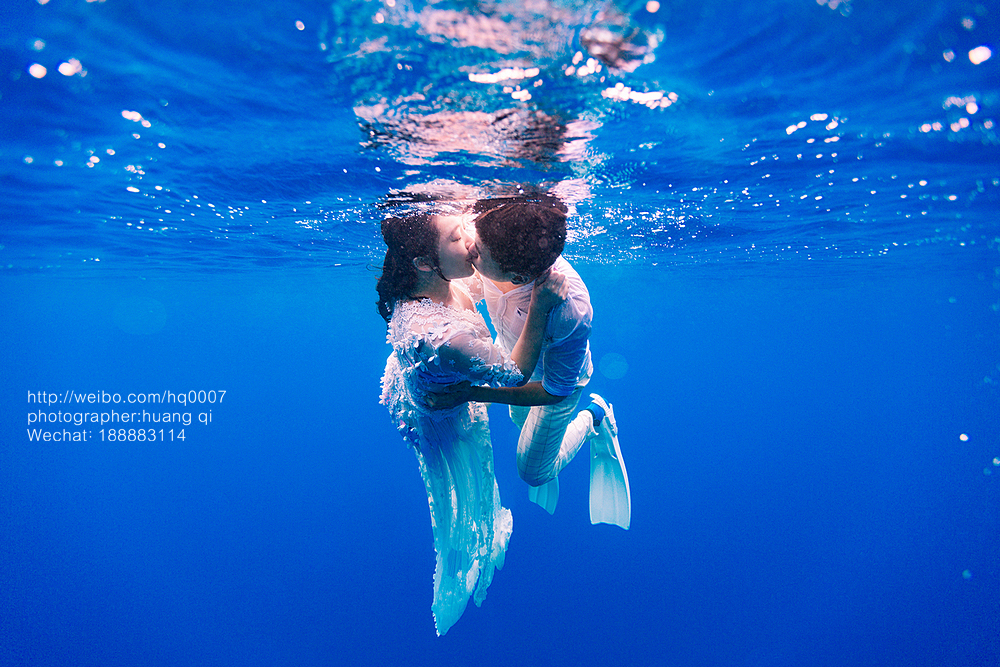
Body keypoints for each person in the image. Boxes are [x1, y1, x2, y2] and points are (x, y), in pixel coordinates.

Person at [376, 211, 568, 636]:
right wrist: (541, 305)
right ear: (424, 263)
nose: (470, 237)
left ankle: (542, 443)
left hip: (423, 384)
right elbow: (514, 374)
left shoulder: (431, 278)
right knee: (465, 508)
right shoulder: (446, 337)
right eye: (456, 236)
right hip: (441, 416)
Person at [437, 196, 631, 529]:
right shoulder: (497, 240)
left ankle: (594, 419)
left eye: (478, 252)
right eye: (473, 238)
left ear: (516, 275)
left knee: (532, 473)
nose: (469, 248)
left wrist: (475, 392)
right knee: (518, 420)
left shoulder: (570, 310)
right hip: (513, 359)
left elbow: (554, 391)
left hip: (555, 386)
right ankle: (546, 443)